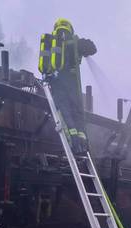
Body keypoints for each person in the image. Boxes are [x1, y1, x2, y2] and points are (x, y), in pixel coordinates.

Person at [40, 18, 96, 154]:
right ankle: (83, 144)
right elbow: (93, 49)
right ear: (70, 28)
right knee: (77, 113)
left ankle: (73, 144)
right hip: (73, 86)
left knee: (64, 113)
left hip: (57, 84)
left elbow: (45, 67)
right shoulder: (76, 42)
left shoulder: (50, 41)